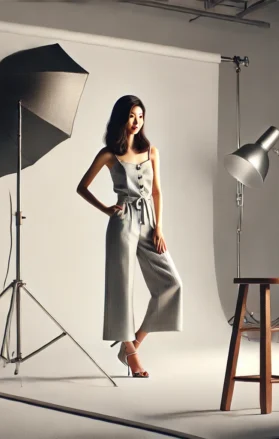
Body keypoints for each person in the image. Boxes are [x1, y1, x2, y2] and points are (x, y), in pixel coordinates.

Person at [77, 95, 182, 378]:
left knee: (172, 283)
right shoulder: (109, 154)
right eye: (131, 116)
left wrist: (159, 228)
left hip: (149, 221)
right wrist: (106, 208)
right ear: (121, 118)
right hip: (122, 222)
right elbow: (82, 187)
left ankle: (133, 344)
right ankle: (131, 353)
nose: (136, 122)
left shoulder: (152, 151)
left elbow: (157, 191)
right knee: (121, 288)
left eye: (140, 116)